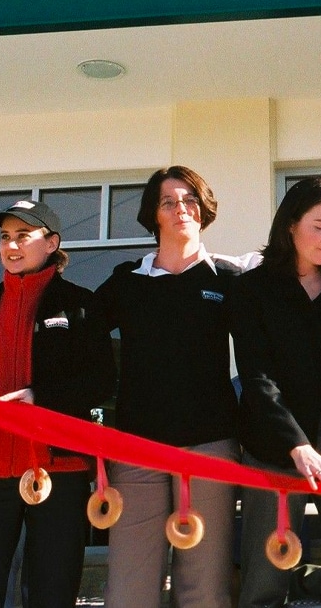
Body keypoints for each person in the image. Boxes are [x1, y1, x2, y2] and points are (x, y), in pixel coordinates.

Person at [94, 166, 252, 608]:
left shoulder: (228, 278)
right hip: (136, 447)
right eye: (169, 202)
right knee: (130, 584)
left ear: (202, 211)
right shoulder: (127, 282)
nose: (181, 208)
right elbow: (80, 339)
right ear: (154, 215)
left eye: (189, 200)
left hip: (210, 446)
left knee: (205, 584)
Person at [0, 199, 116, 608]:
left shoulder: (80, 304)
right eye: (5, 237)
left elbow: (101, 380)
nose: (11, 245)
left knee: (52, 592)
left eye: (24, 235)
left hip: (59, 468)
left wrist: (41, 399)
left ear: (51, 243)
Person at [231, 177, 321, 608]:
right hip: (274, 443)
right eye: (319, 226)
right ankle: (276, 581)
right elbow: (257, 377)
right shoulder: (251, 290)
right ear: (290, 225)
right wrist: (297, 445)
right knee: (262, 585)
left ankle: (305, 582)